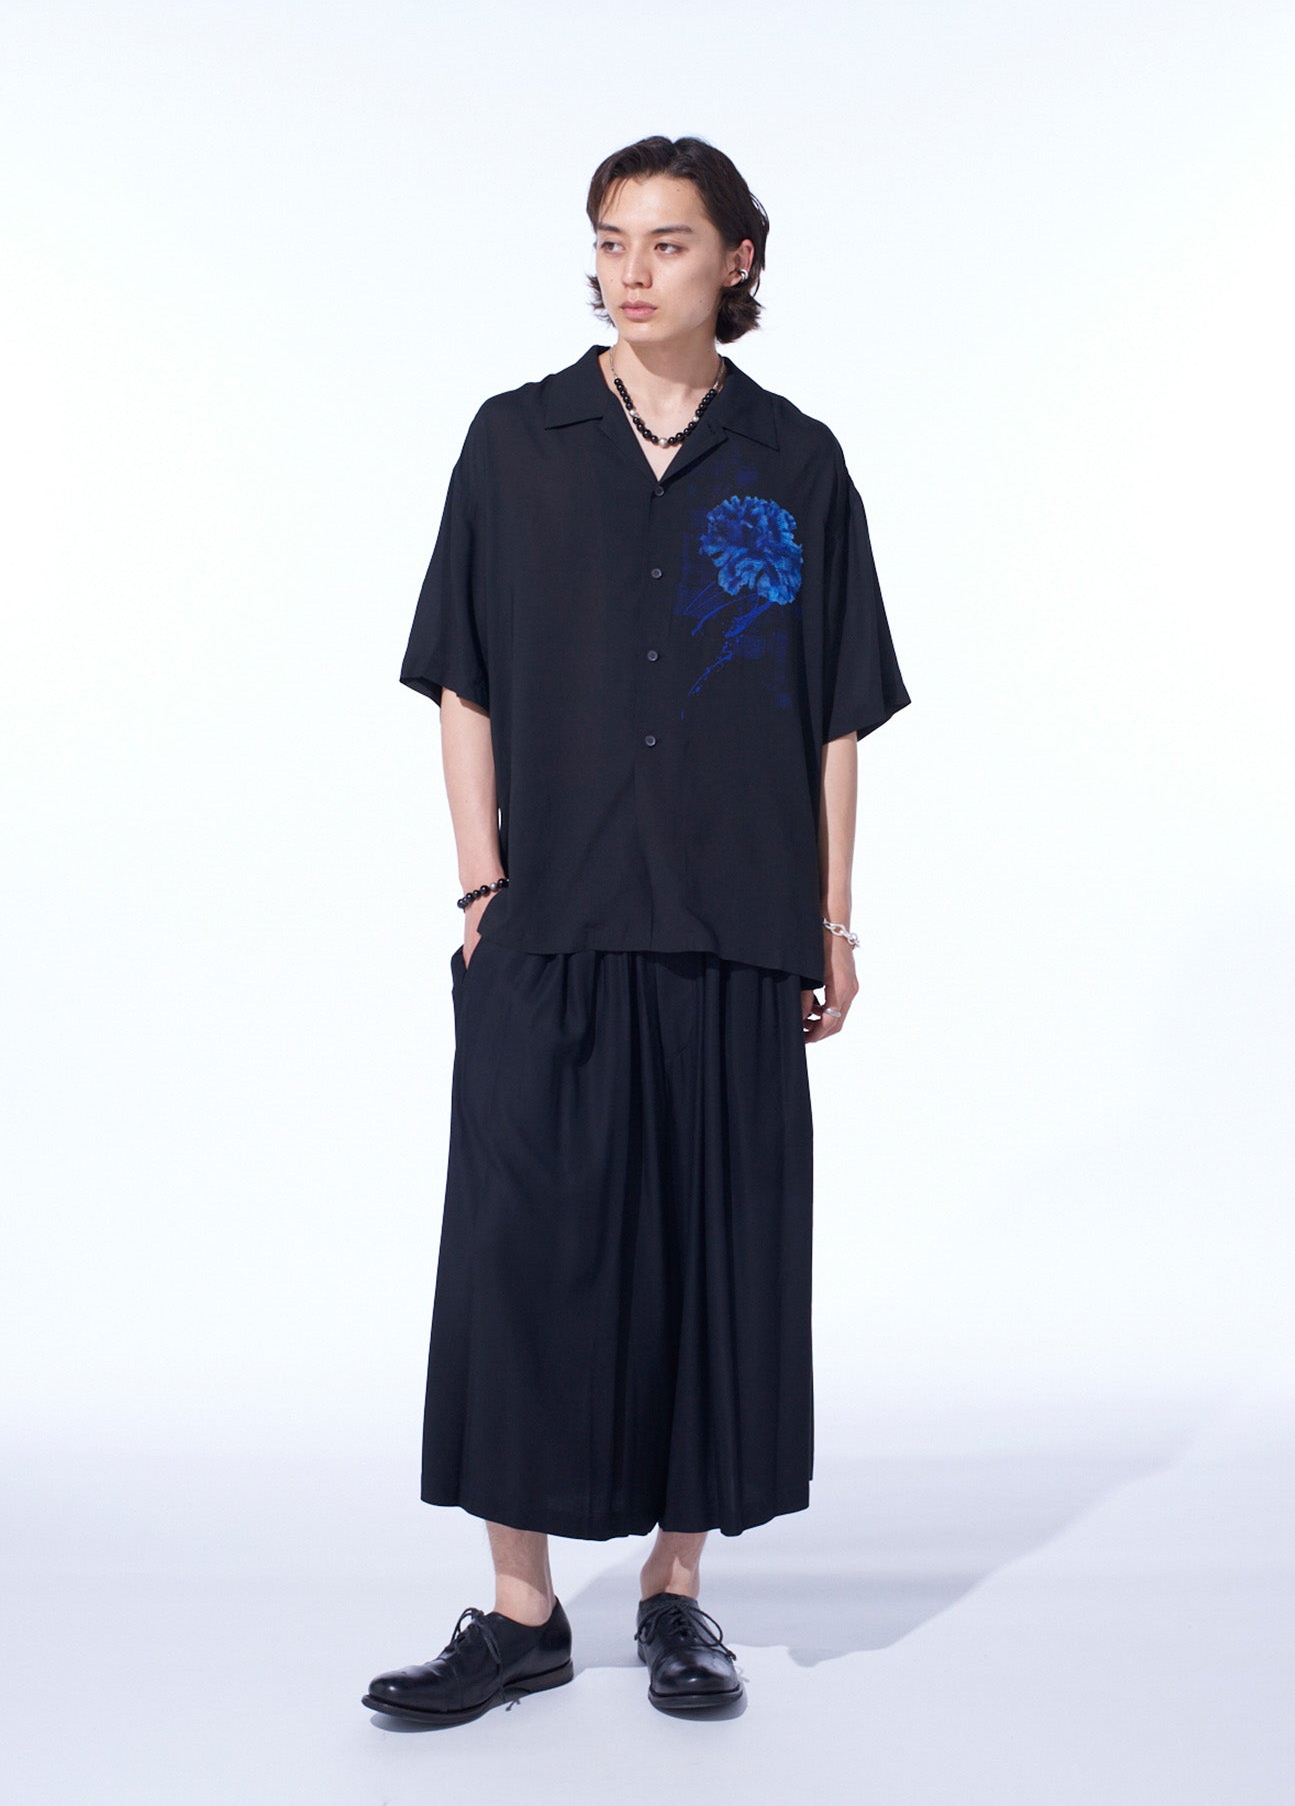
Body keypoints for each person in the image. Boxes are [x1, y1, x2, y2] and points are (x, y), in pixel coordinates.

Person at [363, 134, 911, 1727]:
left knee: (712, 1252)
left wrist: (832, 917)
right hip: (552, 917)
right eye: (611, 240)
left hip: (737, 918)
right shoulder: (515, 442)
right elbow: (461, 677)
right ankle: (519, 1610)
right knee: (519, 1251)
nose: (631, 270)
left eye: (667, 242)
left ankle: (677, 1592)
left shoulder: (795, 462)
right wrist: (483, 885)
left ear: (737, 260)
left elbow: (833, 715)